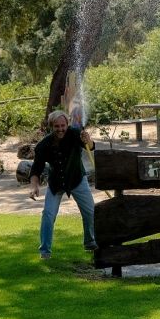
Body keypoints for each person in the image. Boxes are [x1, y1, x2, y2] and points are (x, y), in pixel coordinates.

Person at [29, 110, 97, 259]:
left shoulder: (75, 133)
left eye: (63, 125)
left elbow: (90, 147)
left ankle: (90, 243)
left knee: (90, 212)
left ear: (67, 124)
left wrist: (88, 140)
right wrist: (34, 186)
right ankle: (45, 252)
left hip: (77, 179)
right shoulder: (43, 145)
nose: (60, 129)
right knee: (48, 215)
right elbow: (36, 169)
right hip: (56, 183)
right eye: (56, 126)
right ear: (51, 126)